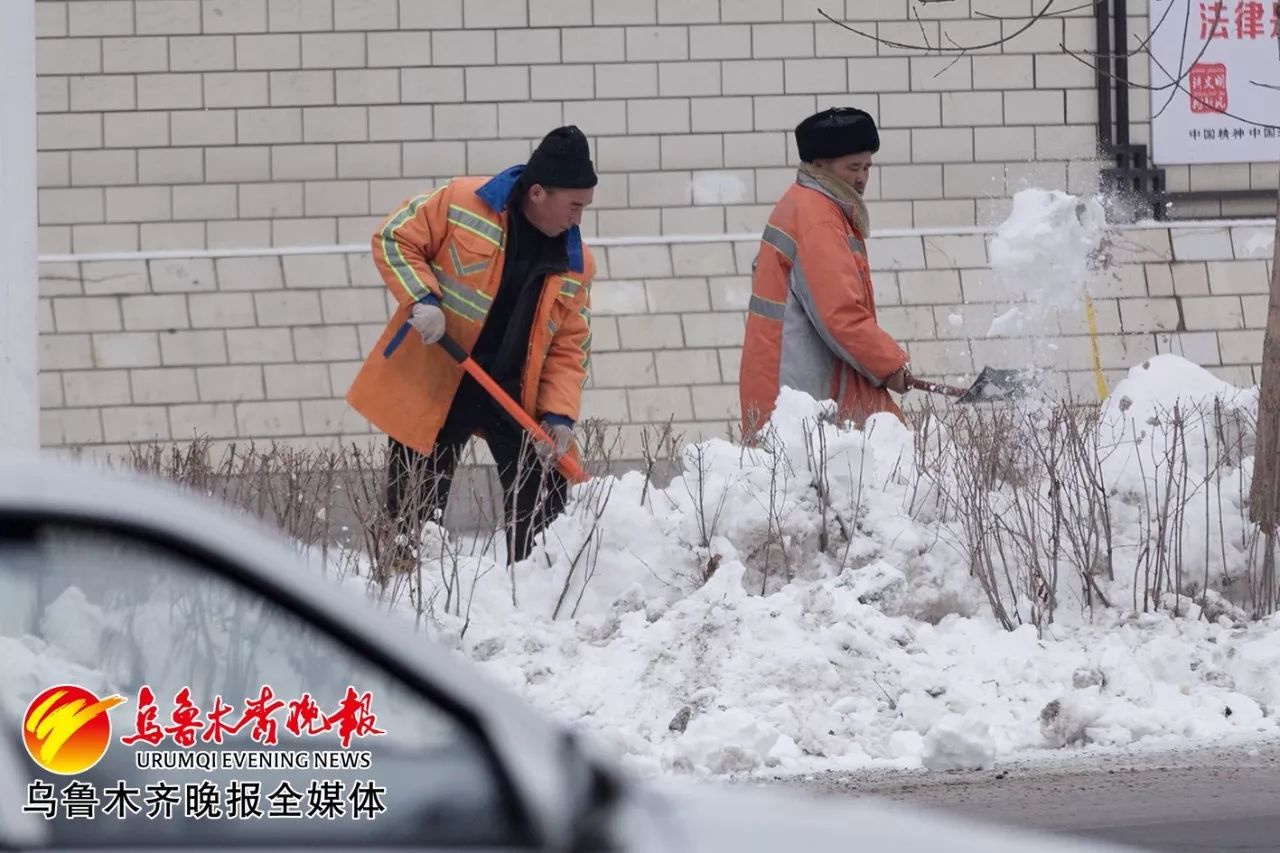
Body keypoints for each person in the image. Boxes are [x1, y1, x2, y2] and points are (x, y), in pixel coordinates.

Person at [346, 126, 598, 568]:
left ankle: (539, 595)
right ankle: (409, 595)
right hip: (440, 376)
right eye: (574, 205)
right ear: (538, 193)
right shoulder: (462, 203)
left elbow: (569, 346)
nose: (579, 217)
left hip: (514, 393)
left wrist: (559, 415)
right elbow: (394, 237)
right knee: (413, 514)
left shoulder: (576, 261)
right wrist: (422, 298)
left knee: (547, 507)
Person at [738, 106, 911, 441]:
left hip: (788, 389)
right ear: (819, 166)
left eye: (867, 167)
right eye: (853, 167)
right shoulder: (817, 218)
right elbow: (840, 314)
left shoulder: (807, 206)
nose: (862, 178)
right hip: (800, 399)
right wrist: (889, 365)